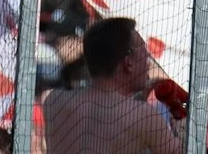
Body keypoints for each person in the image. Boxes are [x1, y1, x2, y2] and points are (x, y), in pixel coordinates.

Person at [41, 18, 181, 154]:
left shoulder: (53, 101)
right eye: (145, 55)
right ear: (129, 64)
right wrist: (181, 115)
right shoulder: (143, 116)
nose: (148, 64)